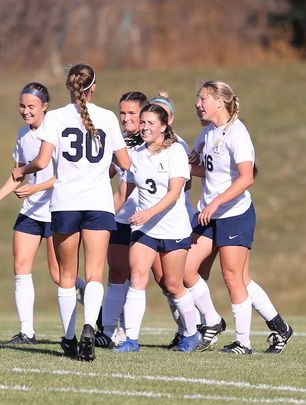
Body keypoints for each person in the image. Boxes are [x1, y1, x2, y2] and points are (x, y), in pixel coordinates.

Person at [11, 64, 130, 362]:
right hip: (99, 203)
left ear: (69, 87)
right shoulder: (107, 117)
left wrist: (21, 170)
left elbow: (41, 161)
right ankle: (90, 326)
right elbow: (125, 163)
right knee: (94, 274)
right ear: (94, 88)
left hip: (65, 202)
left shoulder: (55, 117)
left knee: (66, 275)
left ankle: (69, 338)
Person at [184, 80, 292, 354]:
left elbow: (247, 178)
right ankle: (218, 322)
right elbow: (200, 169)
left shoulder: (237, 134)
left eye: (203, 99)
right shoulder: (207, 133)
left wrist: (217, 202)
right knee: (185, 270)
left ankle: (243, 342)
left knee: (234, 279)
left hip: (234, 214)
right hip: (209, 214)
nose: (198, 105)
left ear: (220, 102)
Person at [0, 82, 85, 344]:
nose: (26, 111)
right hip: (30, 212)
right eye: (22, 106)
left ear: (44, 107)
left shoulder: (57, 132)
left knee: (59, 275)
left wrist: (35, 187)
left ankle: (95, 306)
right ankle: (27, 332)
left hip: (57, 209)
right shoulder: (22, 135)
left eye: (31, 107)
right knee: (20, 267)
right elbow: (18, 173)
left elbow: (66, 175)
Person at [113, 103, 200, 353]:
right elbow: (124, 191)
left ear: (164, 126)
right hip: (144, 230)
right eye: (143, 122)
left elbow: (175, 193)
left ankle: (192, 334)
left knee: (173, 285)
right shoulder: (136, 153)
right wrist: (105, 217)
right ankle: (131, 340)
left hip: (173, 228)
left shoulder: (175, 152)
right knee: (137, 277)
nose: (145, 127)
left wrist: (148, 212)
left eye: (151, 123)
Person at [95, 91, 149, 348]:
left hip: (151, 222)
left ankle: (191, 329)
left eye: (132, 113)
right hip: (122, 219)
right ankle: (108, 331)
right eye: (122, 113)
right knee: (116, 273)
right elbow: (108, 176)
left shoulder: (161, 143)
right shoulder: (121, 143)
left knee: (167, 280)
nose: (126, 118)